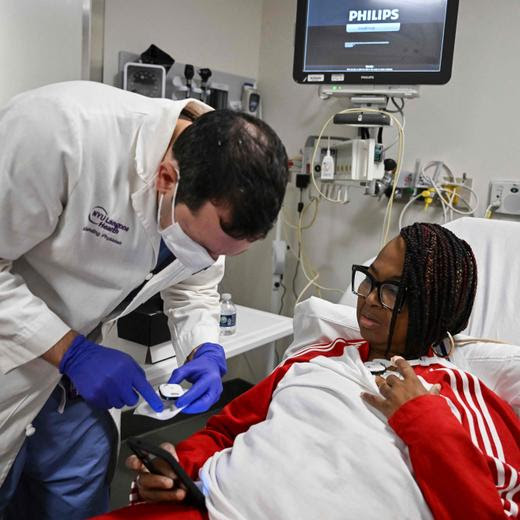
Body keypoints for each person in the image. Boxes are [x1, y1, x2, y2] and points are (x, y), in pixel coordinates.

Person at [0, 81, 289, 519]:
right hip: (10, 364)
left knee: (80, 491)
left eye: (223, 253)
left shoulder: (221, 179)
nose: (210, 261)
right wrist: (71, 352)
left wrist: (204, 348)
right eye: (204, 246)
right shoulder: (60, 133)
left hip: (68, 393)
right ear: (166, 178)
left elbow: (195, 284)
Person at [101, 223, 520, 520]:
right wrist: (178, 467)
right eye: (368, 281)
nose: (369, 300)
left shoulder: (463, 396)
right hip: (209, 507)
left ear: (436, 309)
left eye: (392, 291)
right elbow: (224, 434)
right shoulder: (317, 358)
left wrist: (424, 420)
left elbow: (486, 510)